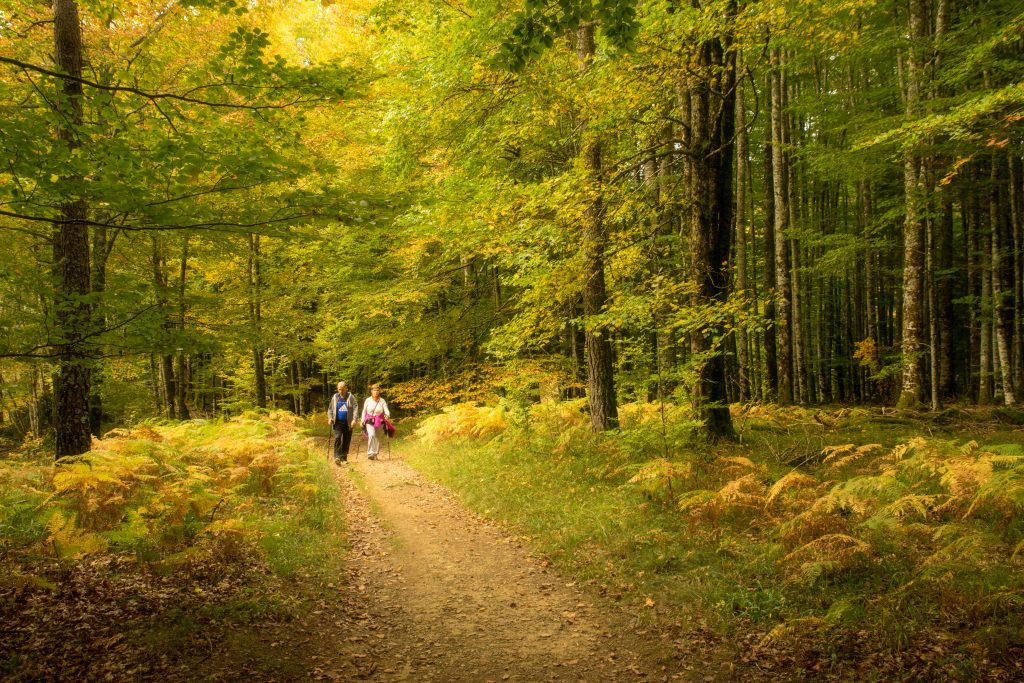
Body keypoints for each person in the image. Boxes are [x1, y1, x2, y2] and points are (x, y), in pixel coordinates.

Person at [328, 381, 356, 464]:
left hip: (348, 423)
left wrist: (354, 419)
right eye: (339, 389)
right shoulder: (335, 397)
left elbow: (355, 407)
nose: (341, 391)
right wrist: (330, 418)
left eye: (342, 389)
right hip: (337, 423)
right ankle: (337, 457)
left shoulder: (350, 397)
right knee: (337, 438)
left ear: (346, 389)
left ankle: (344, 458)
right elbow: (330, 409)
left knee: (346, 440)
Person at [360, 384, 391, 461]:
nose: (376, 392)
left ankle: (375, 453)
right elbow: (364, 411)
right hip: (369, 421)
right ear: (371, 391)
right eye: (374, 390)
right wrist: (362, 420)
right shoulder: (368, 400)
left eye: (377, 390)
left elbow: (386, 409)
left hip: (379, 421)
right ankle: (370, 453)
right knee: (372, 435)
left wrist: (387, 415)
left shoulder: (382, 400)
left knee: (377, 437)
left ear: (379, 391)